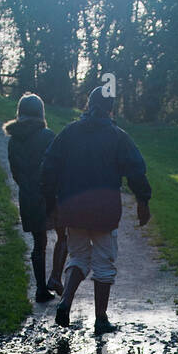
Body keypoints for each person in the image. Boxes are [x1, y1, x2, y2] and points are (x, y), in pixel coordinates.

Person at [40, 85, 151, 334]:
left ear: (88, 105)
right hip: (104, 212)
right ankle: (100, 319)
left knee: (78, 257)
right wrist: (143, 201)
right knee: (104, 263)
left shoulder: (69, 133)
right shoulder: (118, 136)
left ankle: (66, 301)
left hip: (74, 209)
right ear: (111, 109)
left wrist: (52, 203)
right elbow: (136, 170)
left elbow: (48, 167)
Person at [4, 93, 68, 304]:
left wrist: (28, 188)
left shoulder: (13, 141)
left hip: (28, 196)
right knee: (63, 236)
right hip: (50, 196)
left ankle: (41, 289)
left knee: (38, 243)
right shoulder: (48, 136)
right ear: (40, 113)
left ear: (20, 113)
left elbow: (15, 172)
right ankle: (55, 277)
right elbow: (57, 168)